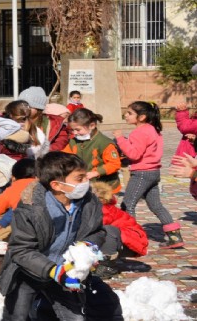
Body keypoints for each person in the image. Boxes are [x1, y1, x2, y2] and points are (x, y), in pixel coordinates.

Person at [0, 152, 123, 321]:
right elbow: (20, 249)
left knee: (75, 318)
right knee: (17, 315)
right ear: (57, 185)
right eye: (79, 178)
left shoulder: (89, 202)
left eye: (85, 176)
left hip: (66, 272)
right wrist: (53, 271)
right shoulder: (31, 209)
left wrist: (87, 247)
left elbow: (97, 231)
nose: (86, 182)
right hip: (29, 271)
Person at [113, 101, 184, 249]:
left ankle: (131, 239)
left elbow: (134, 153)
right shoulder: (152, 129)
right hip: (153, 172)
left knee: (128, 203)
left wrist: (120, 139)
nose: (125, 115)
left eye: (129, 113)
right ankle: (174, 236)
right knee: (156, 205)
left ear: (142, 117)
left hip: (142, 173)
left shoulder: (139, 131)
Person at [90, 181, 149, 279]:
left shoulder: (104, 210)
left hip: (130, 242)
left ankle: (108, 266)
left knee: (104, 231)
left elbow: (94, 227)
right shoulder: (100, 207)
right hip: (124, 239)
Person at [64, 108, 122, 193]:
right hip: (84, 184)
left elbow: (114, 164)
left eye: (78, 129)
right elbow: (65, 156)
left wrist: (96, 172)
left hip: (105, 187)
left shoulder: (105, 143)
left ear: (92, 126)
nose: (75, 133)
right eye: (72, 130)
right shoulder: (74, 141)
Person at [18, 86, 70, 155]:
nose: (23, 109)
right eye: (20, 106)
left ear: (38, 108)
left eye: (28, 106)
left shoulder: (55, 123)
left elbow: (61, 141)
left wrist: (45, 151)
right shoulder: (12, 121)